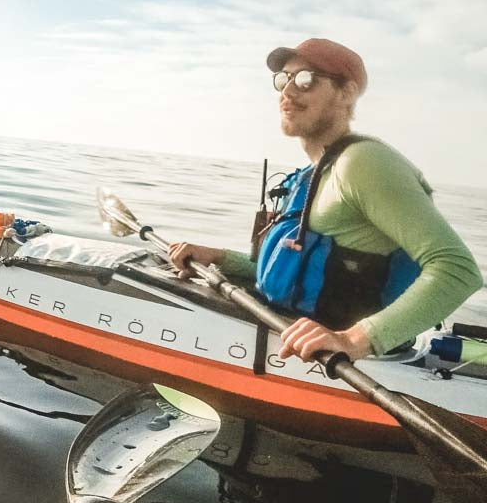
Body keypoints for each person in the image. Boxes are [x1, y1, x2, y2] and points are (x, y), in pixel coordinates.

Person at [169, 38, 482, 363]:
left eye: (306, 79)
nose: (287, 92)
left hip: (346, 363)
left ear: (346, 93)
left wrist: (353, 340)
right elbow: (301, 275)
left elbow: (457, 270)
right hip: (286, 331)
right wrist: (221, 257)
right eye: (283, 80)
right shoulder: (313, 173)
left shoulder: (363, 162)